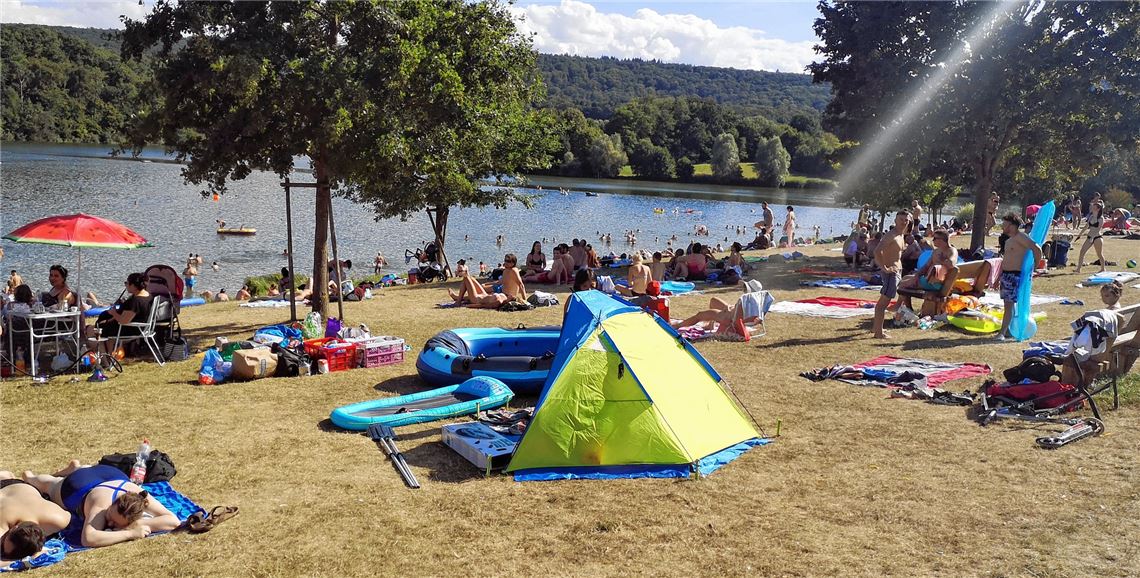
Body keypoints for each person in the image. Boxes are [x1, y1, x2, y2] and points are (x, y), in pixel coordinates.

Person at [20, 462, 179, 549]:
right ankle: (31, 477)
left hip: (107, 473)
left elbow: (173, 521)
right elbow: (88, 538)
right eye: (110, 518)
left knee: (84, 471)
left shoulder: (138, 495)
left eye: (115, 523)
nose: (109, 524)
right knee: (50, 485)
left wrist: (136, 524)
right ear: (111, 506)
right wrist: (130, 533)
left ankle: (79, 467)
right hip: (79, 485)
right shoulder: (101, 505)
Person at [0, 472, 71, 561]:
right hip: (16, 487)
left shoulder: (59, 518)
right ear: (13, 528)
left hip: (18, 486)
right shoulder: (58, 519)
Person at [997, 213, 1044, 341]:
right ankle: (1007, 331)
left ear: (1012, 225)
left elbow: (1036, 248)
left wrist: (1034, 266)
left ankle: (1002, 332)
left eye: (1005, 224)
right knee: (1007, 304)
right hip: (1006, 275)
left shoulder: (1020, 237)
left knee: (1009, 304)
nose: (1002, 226)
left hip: (1014, 275)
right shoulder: (1009, 239)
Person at [872, 210, 911, 339]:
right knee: (883, 303)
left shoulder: (901, 234)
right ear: (895, 220)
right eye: (901, 219)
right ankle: (878, 333)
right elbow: (877, 251)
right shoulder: (891, 235)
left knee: (900, 292)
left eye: (906, 220)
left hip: (897, 271)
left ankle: (878, 328)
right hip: (891, 273)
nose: (903, 222)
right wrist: (884, 267)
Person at [91, 273, 153, 353]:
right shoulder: (148, 295)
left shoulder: (136, 301)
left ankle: (106, 359)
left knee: (97, 330)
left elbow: (124, 321)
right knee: (102, 326)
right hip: (140, 327)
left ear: (133, 285)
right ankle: (109, 355)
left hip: (131, 329)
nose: (125, 285)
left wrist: (113, 313)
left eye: (126, 283)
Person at [898, 229, 957, 310]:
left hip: (936, 284)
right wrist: (917, 275)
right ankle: (907, 308)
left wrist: (940, 261)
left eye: (935, 238)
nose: (933, 240)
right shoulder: (936, 251)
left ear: (942, 240)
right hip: (930, 280)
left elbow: (951, 263)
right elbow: (926, 266)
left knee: (902, 285)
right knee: (905, 279)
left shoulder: (951, 250)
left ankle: (908, 309)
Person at [1075, 201, 1106, 274]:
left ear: (1098, 209)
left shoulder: (1101, 218)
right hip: (1089, 237)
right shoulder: (1091, 217)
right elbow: (1086, 226)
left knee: (1099, 254)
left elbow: (1098, 229)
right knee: (1082, 252)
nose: (1092, 207)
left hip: (1097, 237)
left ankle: (1103, 269)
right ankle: (1078, 269)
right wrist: (1080, 234)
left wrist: (1093, 237)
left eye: (1094, 206)